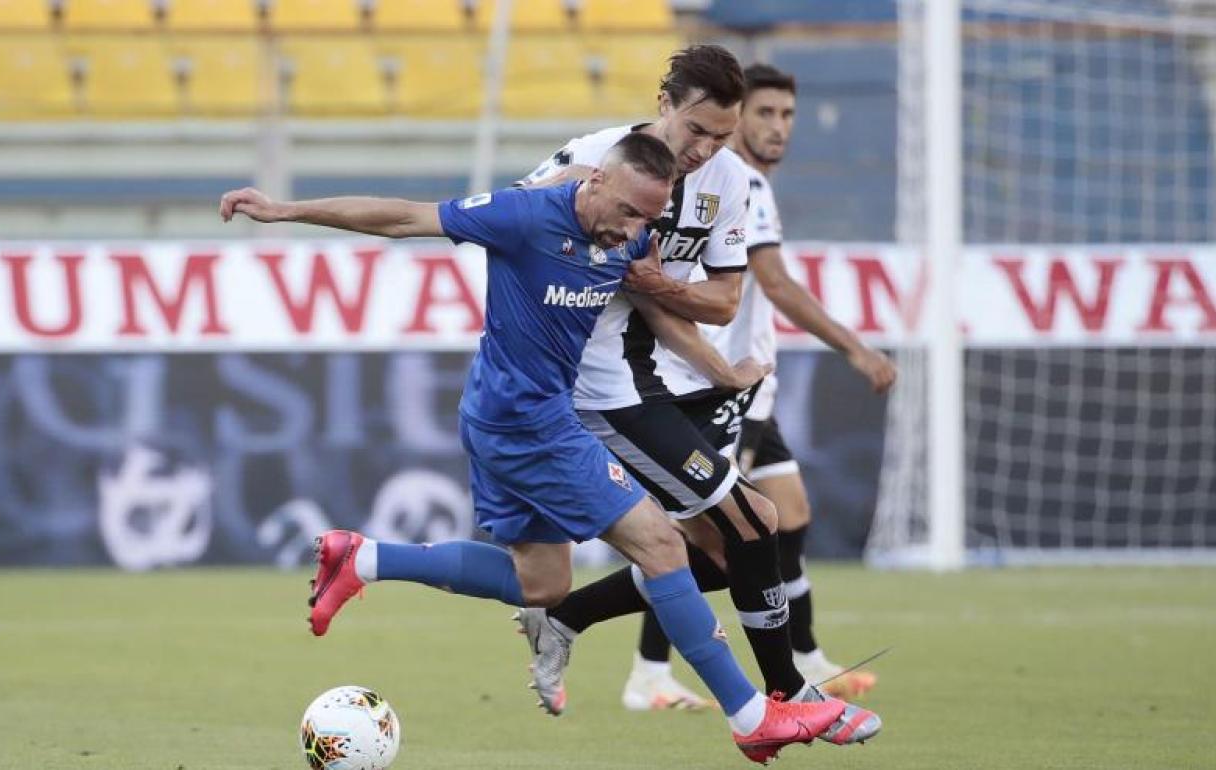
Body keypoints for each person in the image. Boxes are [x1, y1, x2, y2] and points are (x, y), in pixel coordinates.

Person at [218, 133, 869, 764]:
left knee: (542, 583)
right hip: (530, 422)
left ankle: (363, 559)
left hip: (501, 415)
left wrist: (723, 372)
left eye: (650, 216)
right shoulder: (522, 216)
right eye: (627, 210)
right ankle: (753, 717)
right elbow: (402, 218)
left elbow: (660, 311)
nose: (635, 230)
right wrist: (284, 209)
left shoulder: (631, 233)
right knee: (667, 546)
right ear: (595, 179)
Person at [512, 44, 878, 742]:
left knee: (712, 551)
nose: (706, 148)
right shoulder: (594, 157)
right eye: (696, 131)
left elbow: (723, 299)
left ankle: (563, 618)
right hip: (593, 394)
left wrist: (662, 291)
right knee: (755, 519)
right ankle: (786, 694)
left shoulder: (730, 181)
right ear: (663, 105)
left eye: (720, 134)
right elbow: (510, 219)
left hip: (658, 382)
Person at [622, 63, 898, 711]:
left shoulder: (735, 186)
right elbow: (772, 284)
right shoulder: (731, 183)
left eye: (787, 115)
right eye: (763, 114)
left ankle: (802, 656)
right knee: (714, 537)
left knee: (786, 513)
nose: (776, 128)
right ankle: (647, 666)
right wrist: (856, 349)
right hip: (711, 383)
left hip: (745, 382)